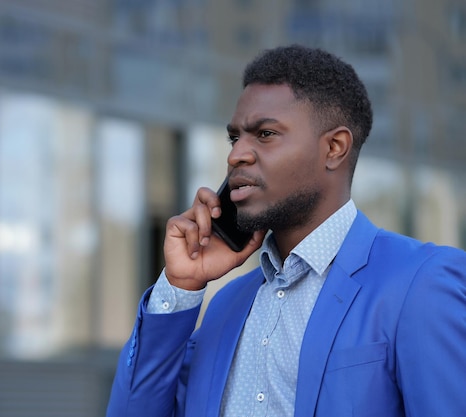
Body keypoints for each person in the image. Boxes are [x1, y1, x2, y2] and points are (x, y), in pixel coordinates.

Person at [105, 45, 466, 417]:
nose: (236, 155)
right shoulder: (226, 307)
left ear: (335, 148)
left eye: (264, 134)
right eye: (235, 138)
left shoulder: (421, 283)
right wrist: (180, 286)